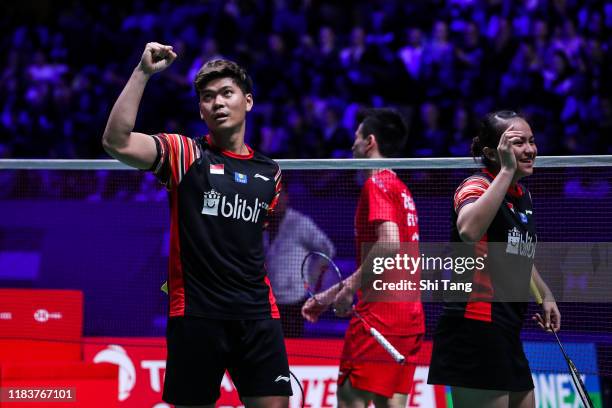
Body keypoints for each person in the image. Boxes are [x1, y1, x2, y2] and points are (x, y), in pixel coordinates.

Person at [102, 42, 291, 408]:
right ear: (201, 111)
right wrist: (143, 72)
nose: (217, 102)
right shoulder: (185, 154)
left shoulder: (272, 174)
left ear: (247, 101)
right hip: (197, 314)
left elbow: (248, 242)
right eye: (207, 97)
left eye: (226, 93)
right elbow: (116, 141)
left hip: (256, 314)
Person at [427, 110, 561, 408]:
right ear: (492, 152)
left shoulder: (522, 195)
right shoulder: (475, 186)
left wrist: (545, 295)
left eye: (531, 141)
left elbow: (517, 253)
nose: (529, 150)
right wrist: (504, 173)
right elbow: (468, 230)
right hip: (475, 326)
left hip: (506, 329)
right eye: (517, 143)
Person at [302, 108, 425, 408]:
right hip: (409, 316)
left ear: (370, 142)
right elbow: (384, 263)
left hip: (379, 317)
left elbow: (389, 245)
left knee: (349, 400)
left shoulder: (377, 184)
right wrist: (329, 295)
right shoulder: (400, 187)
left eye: (356, 137)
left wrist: (347, 290)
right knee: (390, 405)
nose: (352, 144)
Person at [265, 184, 336, 338]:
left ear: (286, 197)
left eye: (279, 195)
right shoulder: (261, 223)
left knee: (292, 344)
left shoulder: (299, 223)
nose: (275, 201)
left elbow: (327, 248)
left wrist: (314, 275)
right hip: (268, 299)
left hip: (293, 299)